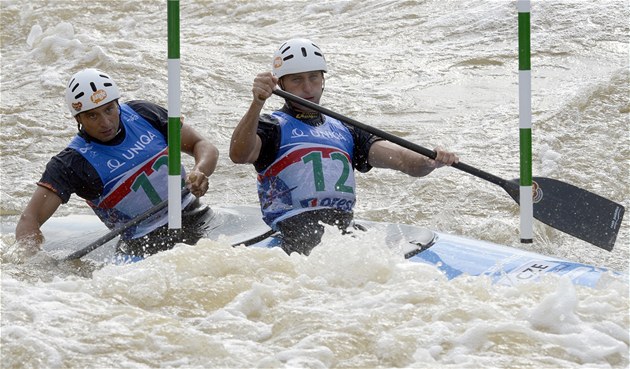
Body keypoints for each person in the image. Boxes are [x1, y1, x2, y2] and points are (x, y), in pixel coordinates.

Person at [229, 38, 459, 255]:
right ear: (282, 85)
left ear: (323, 80)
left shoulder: (346, 130)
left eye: (314, 78)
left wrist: (430, 160)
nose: (308, 88)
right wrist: (257, 103)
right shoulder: (271, 127)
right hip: (295, 227)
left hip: (341, 227)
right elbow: (240, 154)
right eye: (297, 80)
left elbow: (403, 161)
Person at [15, 68, 219, 260]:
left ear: (117, 104)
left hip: (195, 215)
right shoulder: (71, 164)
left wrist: (200, 171)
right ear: (78, 118)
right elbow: (29, 219)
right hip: (143, 244)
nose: (105, 122)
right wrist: (33, 260)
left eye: (109, 109)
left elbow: (202, 145)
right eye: (92, 115)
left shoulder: (144, 113)